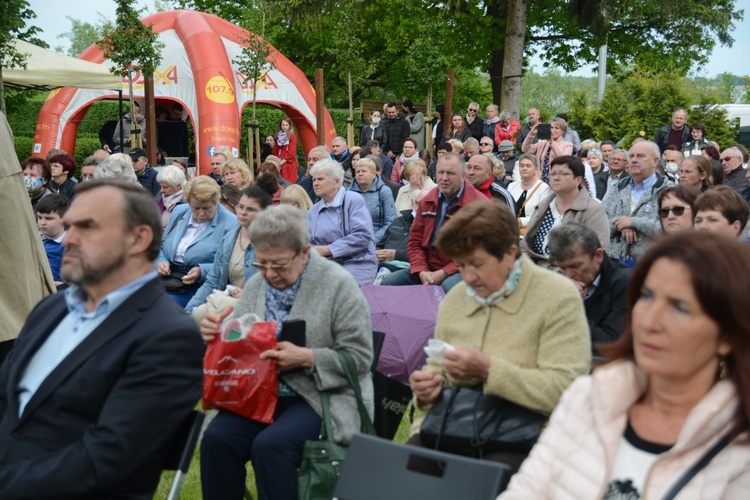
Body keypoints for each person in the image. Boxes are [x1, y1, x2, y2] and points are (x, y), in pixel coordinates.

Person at [501, 232, 750, 499]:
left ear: (727, 336)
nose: (650, 321)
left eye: (680, 307)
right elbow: (525, 491)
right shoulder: (587, 396)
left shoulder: (739, 450)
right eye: (647, 296)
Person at [0, 180, 204, 498]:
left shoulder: (167, 336)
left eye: (87, 227)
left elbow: (106, 458)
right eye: (68, 226)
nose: (69, 239)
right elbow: (7, 398)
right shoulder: (52, 308)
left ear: (138, 239)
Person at [199, 205, 373, 500]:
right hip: (259, 394)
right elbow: (240, 336)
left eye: (278, 265)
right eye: (262, 264)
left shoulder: (339, 285)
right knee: (217, 439)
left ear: (304, 253)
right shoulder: (257, 285)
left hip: (320, 396)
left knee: (271, 446)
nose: (269, 274)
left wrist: (309, 358)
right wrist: (218, 333)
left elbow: (359, 358)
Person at [408, 200, 591, 473]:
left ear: (510, 254)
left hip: (527, 434)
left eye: (478, 264)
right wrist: (426, 391)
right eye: (461, 265)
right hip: (455, 425)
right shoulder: (456, 300)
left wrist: (489, 370)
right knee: (406, 467)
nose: (468, 277)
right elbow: (439, 369)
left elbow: (565, 390)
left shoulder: (557, 296)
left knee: (490, 476)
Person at [381, 153, 485, 293]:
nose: (444, 178)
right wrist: (421, 269)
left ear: (463, 176)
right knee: (388, 283)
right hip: (428, 268)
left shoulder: (479, 205)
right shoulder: (428, 201)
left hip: (463, 269)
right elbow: (415, 242)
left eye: (450, 173)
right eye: (440, 172)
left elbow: (477, 252)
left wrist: (444, 272)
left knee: (448, 286)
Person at [185, 185, 272, 315]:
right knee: (196, 314)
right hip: (228, 304)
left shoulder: (273, 243)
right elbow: (213, 280)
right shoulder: (228, 240)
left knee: (202, 316)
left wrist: (249, 296)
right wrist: (189, 309)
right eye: (240, 207)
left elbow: (282, 288)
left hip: (258, 309)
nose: (242, 212)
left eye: (251, 209)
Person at [156, 176, 238, 307]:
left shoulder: (231, 223)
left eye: (206, 208)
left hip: (200, 285)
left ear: (217, 203)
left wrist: (202, 270)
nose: (200, 214)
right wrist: (161, 262)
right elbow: (161, 246)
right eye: (195, 208)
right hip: (168, 279)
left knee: (162, 306)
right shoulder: (179, 212)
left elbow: (230, 265)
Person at [548, 223, 631, 348]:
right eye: (562, 268)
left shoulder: (625, 283)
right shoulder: (558, 280)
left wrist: (571, 308)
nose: (568, 275)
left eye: (575, 266)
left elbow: (612, 345)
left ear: (598, 256)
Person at [521, 156, 610, 267]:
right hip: (535, 271)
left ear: (578, 180)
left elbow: (598, 252)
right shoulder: (543, 206)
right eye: (553, 174)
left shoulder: (593, 209)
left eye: (563, 174)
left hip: (572, 275)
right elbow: (525, 245)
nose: (556, 178)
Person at [307, 158, 378, 286]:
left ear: (336, 182)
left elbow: (362, 236)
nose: (315, 183)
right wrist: (315, 254)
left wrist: (327, 250)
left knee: (336, 288)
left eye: (320, 179)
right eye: (314, 180)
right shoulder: (313, 211)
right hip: (323, 264)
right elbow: (305, 243)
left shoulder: (353, 200)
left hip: (357, 263)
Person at [603, 140, 672, 265]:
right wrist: (620, 224)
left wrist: (634, 222)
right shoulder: (617, 188)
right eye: (631, 156)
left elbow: (669, 230)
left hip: (651, 267)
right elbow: (600, 224)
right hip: (613, 266)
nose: (634, 160)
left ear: (655, 161)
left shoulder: (669, 191)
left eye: (640, 156)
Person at [349, 157, 397, 243]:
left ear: (374, 174)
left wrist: (372, 241)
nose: (360, 174)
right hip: (352, 240)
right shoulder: (348, 192)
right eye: (357, 172)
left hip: (377, 241)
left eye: (363, 171)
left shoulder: (384, 191)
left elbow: (390, 221)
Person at [507, 153, 551, 233]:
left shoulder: (543, 188)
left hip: (531, 231)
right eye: (521, 165)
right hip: (511, 229)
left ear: (535, 169)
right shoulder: (512, 186)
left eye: (528, 166)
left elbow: (541, 215)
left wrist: (521, 221)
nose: (524, 168)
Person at [521, 117, 574, 183]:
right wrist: (531, 133)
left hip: (556, 181)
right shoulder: (542, 142)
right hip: (540, 180)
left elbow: (563, 159)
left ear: (562, 131)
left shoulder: (568, 145)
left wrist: (551, 141)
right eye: (551, 127)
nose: (553, 130)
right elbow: (525, 149)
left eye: (556, 128)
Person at [36, 193, 69, 284]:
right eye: (39, 217)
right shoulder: (35, 240)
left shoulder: (69, 245)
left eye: (48, 218)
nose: (42, 222)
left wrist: (63, 285)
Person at [156, 165, 187, 229]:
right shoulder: (159, 199)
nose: (162, 190)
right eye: (160, 186)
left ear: (178, 186)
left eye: (165, 187)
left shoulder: (187, 203)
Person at [272, 117, 299, 184]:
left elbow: (292, 153)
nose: (284, 127)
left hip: (288, 164)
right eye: (283, 125)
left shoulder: (292, 137)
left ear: (289, 126)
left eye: (286, 125)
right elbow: (275, 151)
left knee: (288, 184)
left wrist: (280, 163)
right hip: (279, 163)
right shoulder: (278, 136)